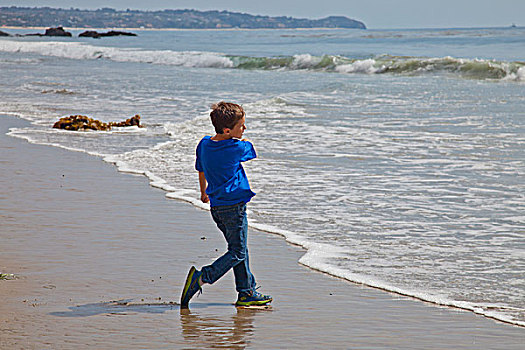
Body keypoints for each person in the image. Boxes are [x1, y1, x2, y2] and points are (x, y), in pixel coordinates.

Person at [180, 101, 272, 308]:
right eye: (241, 125)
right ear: (227, 129)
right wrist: (239, 138)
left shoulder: (204, 143)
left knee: (238, 248)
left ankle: (246, 293)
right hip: (234, 207)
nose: (244, 129)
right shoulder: (236, 147)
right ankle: (203, 277)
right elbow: (251, 149)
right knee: (238, 251)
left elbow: (200, 168)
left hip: (217, 207)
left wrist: (203, 192)